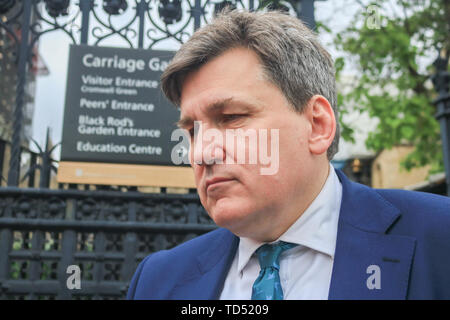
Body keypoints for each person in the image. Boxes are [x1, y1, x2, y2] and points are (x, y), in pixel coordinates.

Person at [127, 9, 450, 300]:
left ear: (317, 125)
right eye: (193, 131)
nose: (202, 153)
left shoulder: (438, 237)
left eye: (231, 118)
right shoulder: (158, 281)